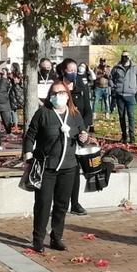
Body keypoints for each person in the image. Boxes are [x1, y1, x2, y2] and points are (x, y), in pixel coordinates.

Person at [24, 76, 89, 253]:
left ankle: (56, 237)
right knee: (43, 203)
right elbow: (30, 136)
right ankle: (38, 238)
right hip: (47, 167)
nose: (58, 96)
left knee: (62, 204)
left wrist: (84, 137)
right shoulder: (43, 114)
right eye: (54, 93)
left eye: (61, 92)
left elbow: (82, 135)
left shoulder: (74, 114)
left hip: (68, 167)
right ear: (49, 96)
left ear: (67, 95)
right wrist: (28, 157)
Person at [60, 58, 93, 215]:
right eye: (70, 70)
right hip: (61, 130)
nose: (73, 73)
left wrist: (83, 130)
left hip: (77, 133)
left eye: (75, 70)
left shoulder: (81, 85)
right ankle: (60, 203)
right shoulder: (58, 86)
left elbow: (87, 110)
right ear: (64, 71)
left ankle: (75, 202)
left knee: (75, 169)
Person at [110, 52, 137, 144]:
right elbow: (111, 78)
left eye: (126, 56)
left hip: (130, 95)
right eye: (123, 56)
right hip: (119, 95)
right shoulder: (116, 67)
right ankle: (124, 136)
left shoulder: (135, 67)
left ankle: (132, 137)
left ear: (129, 57)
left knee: (131, 116)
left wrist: (136, 89)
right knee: (121, 116)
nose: (124, 58)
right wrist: (114, 87)